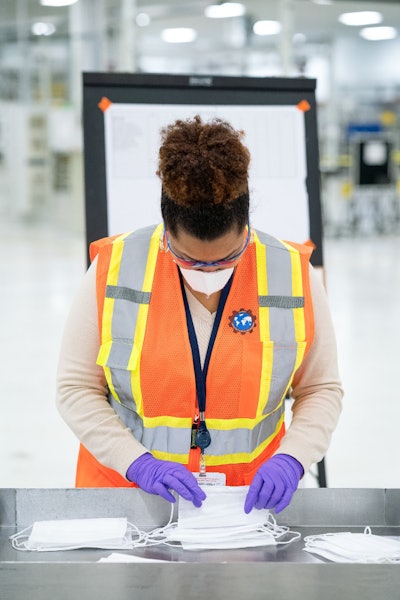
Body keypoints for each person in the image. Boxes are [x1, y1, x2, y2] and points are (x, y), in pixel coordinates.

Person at [56, 115, 343, 514]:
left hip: (245, 507)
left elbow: (321, 389)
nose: (209, 274)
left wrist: (292, 457)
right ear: (166, 228)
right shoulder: (114, 269)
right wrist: (135, 462)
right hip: (128, 497)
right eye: (189, 261)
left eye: (227, 259)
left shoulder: (293, 275)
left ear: (247, 223)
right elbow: (76, 389)